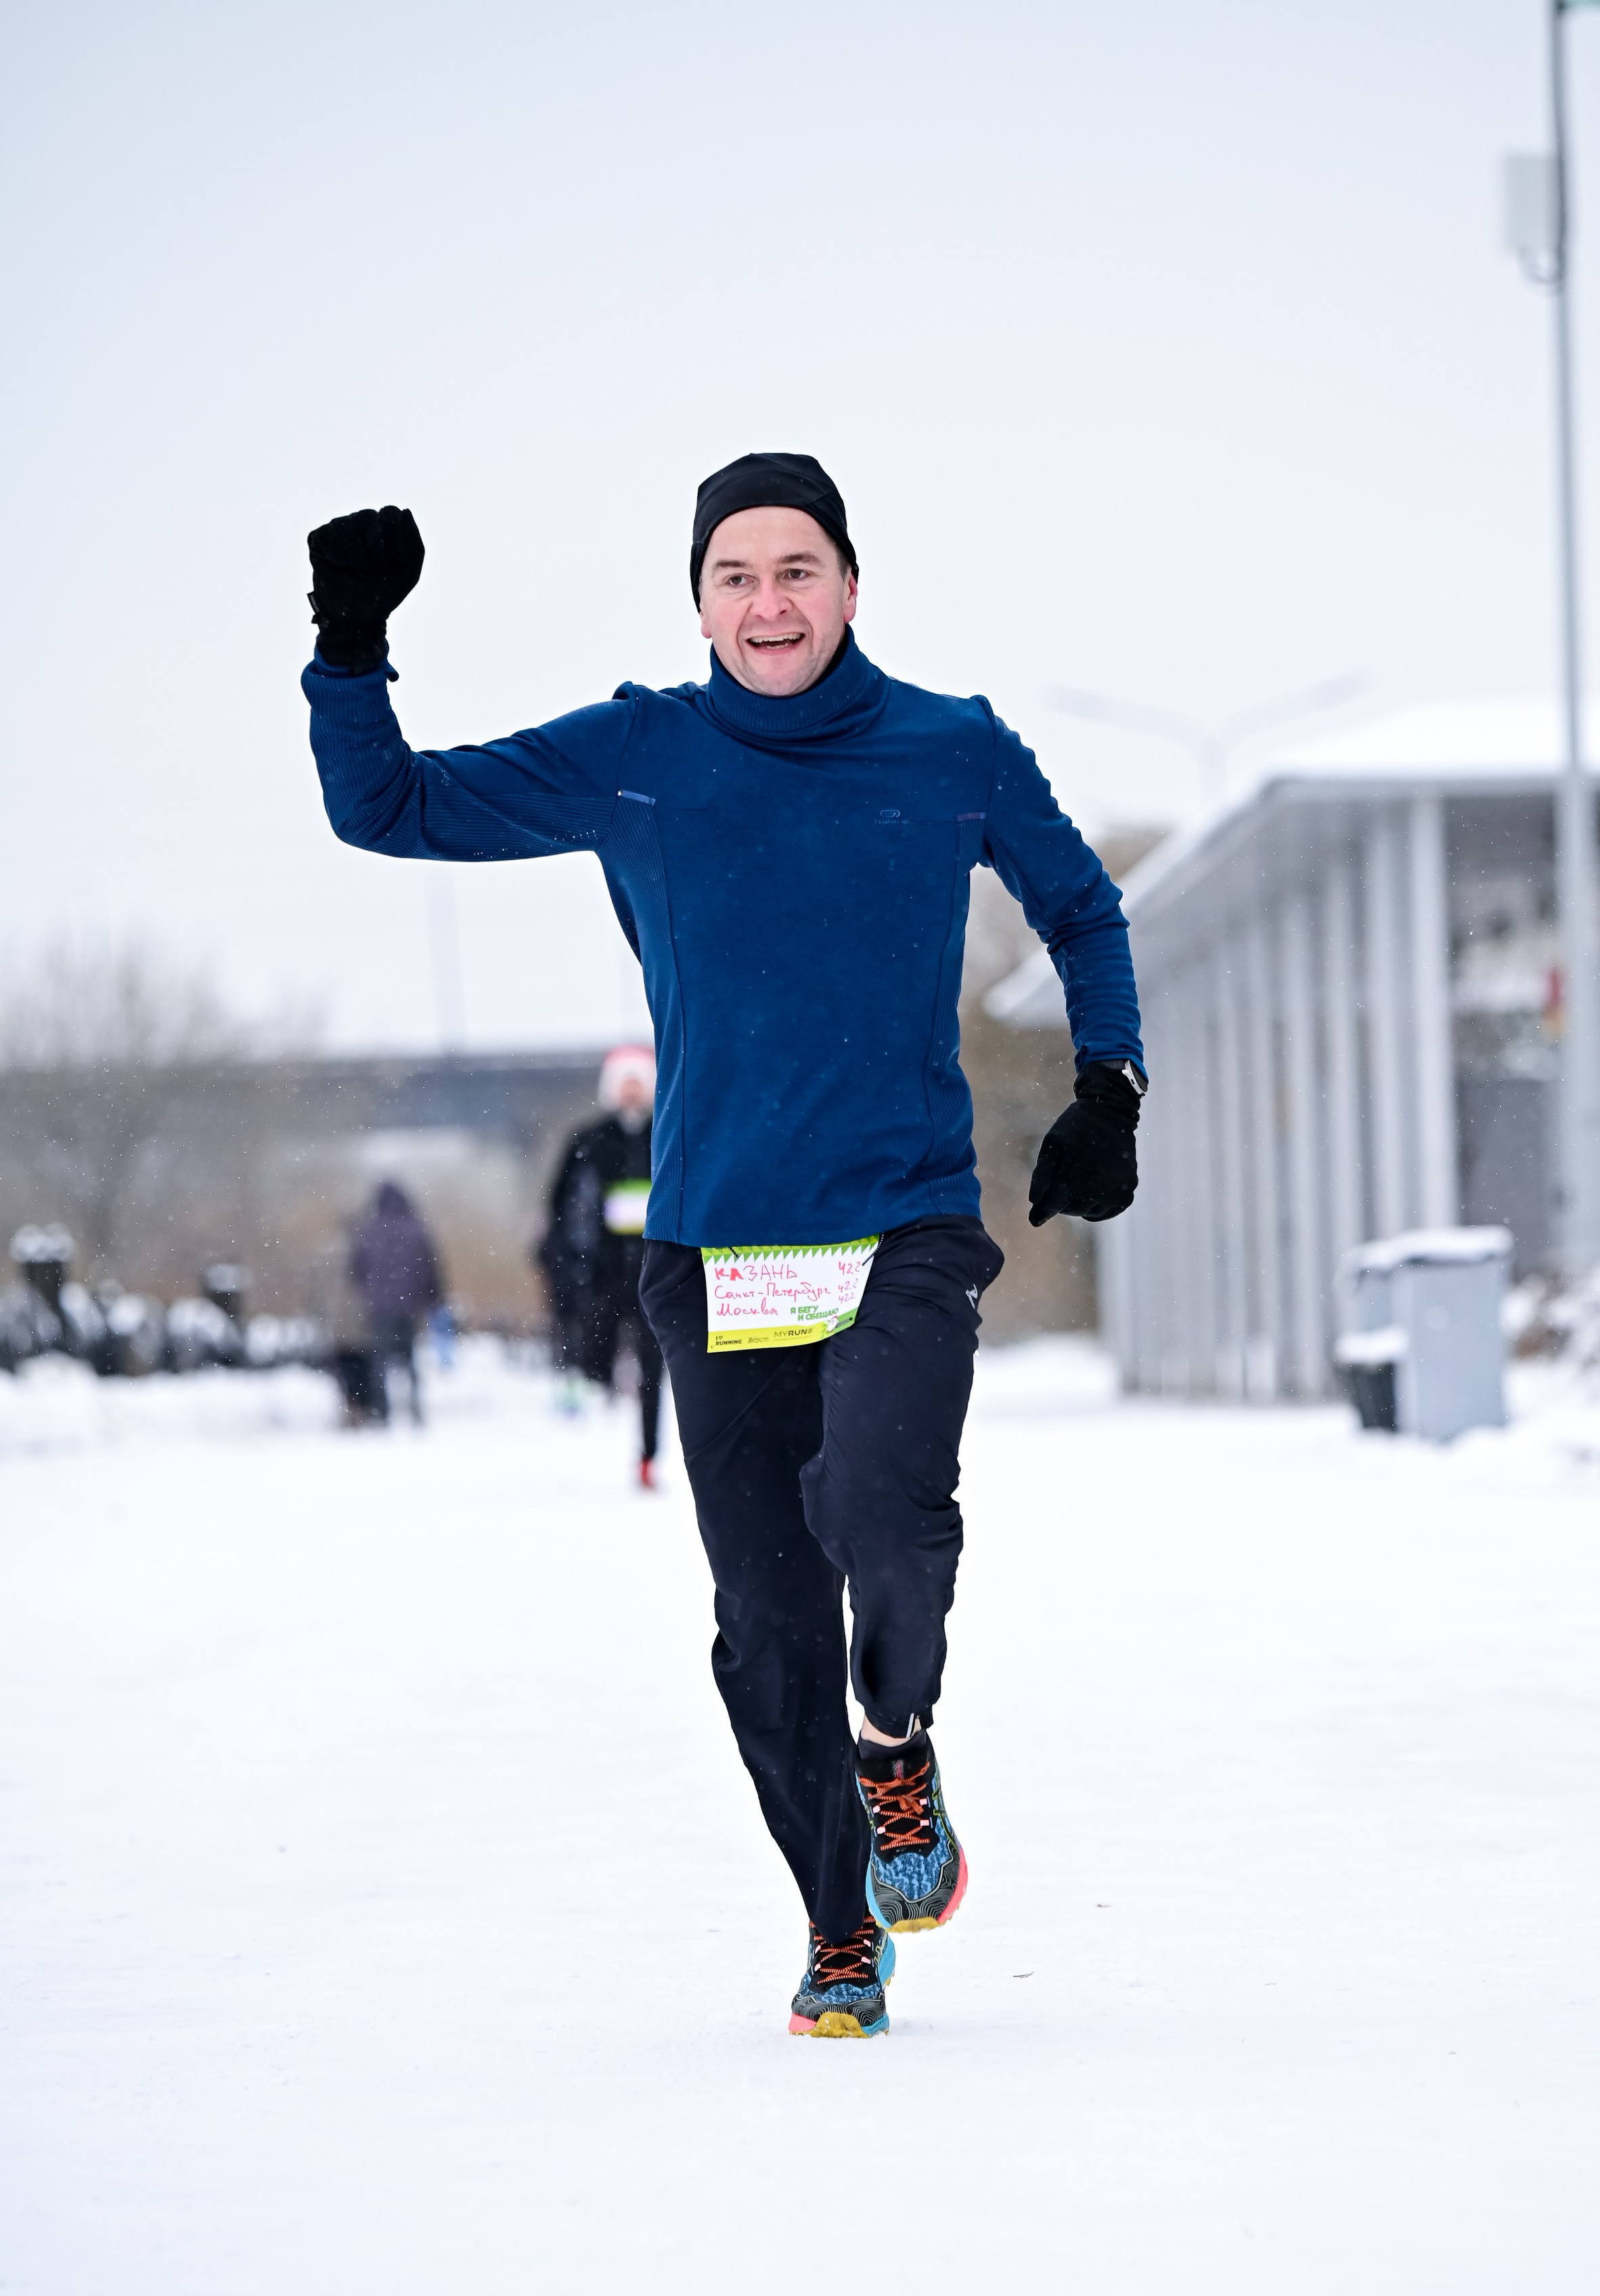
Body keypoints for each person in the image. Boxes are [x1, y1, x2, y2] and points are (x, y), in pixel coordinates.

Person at [302, 455, 1143, 2037]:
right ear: (698, 599)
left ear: (849, 581)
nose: (769, 603)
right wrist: (351, 651)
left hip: (901, 1223)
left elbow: (1082, 909)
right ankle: (839, 1921)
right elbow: (387, 807)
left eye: (797, 568)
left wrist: (1108, 1081)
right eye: (735, 576)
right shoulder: (640, 755)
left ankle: (896, 1745)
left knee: (882, 1513)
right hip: (716, 1243)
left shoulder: (948, 745)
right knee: (763, 1619)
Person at [538, 1044, 664, 1484]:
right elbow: (558, 1207)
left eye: (639, 1082)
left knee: (654, 1365)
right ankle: (587, 1396)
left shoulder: (669, 1133)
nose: (632, 1092)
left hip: (659, 1271)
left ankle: (649, 1455)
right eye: (624, 1083)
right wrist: (567, 1263)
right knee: (594, 1354)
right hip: (603, 1274)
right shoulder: (588, 1141)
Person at [347, 1181, 443, 1425]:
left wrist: (368, 1292)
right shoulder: (416, 1230)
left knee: (380, 1362)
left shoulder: (369, 1230)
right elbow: (430, 1268)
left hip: (380, 1307)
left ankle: (382, 1411)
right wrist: (433, 1299)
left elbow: (356, 1268)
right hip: (409, 1306)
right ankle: (415, 1408)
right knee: (410, 1358)